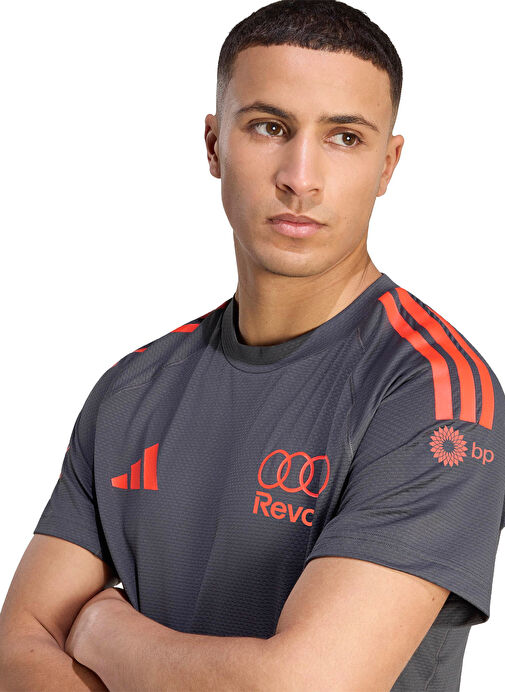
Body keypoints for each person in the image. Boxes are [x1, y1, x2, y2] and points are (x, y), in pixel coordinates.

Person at [1, 1, 504, 690]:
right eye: (270, 127)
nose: (300, 176)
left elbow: (304, 685)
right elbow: (20, 649)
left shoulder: (437, 396)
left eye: (344, 137)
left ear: (387, 165)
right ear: (214, 144)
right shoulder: (131, 390)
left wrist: (104, 631)